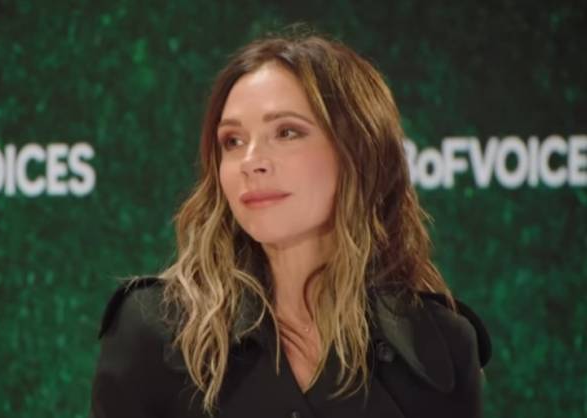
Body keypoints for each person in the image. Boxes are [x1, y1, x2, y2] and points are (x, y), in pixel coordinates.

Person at [90, 33, 491, 418]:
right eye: (232, 141)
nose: (252, 161)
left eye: (286, 132)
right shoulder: (154, 329)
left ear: (359, 152)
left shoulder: (443, 346)